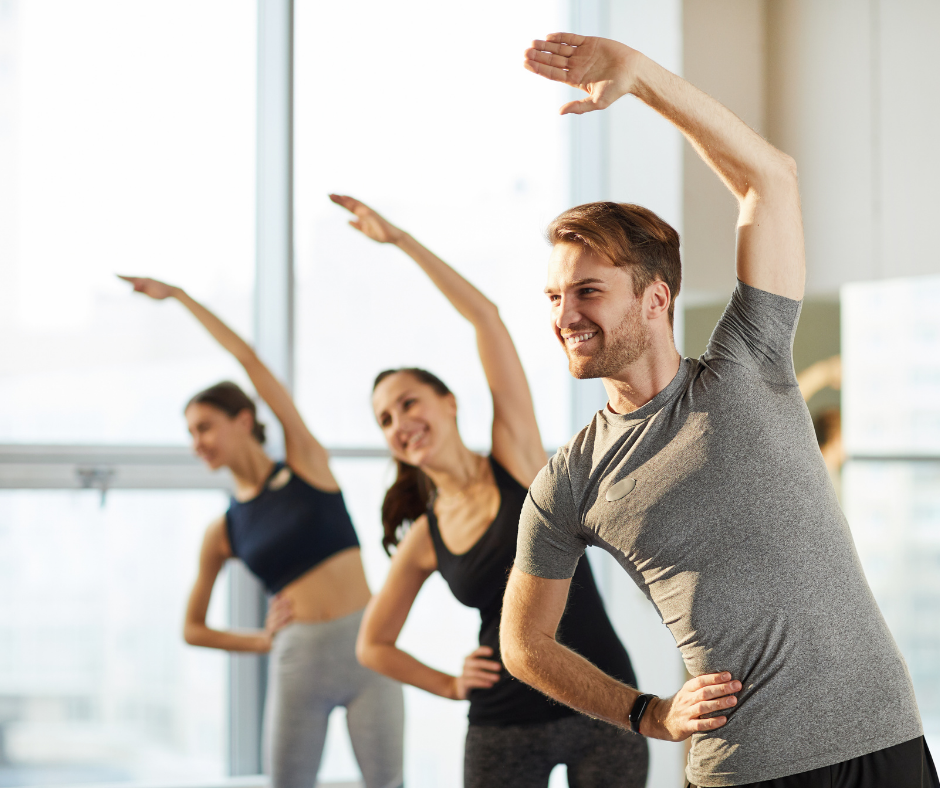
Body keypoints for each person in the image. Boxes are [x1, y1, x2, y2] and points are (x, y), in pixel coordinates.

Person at [499, 33, 937, 788]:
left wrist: (640, 79)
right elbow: (523, 643)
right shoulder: (571, 480)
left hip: (887, 739)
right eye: (553, 297)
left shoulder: (747, 364)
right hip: (752, 766)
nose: (564, 314)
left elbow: (770, 178)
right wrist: (648, 714)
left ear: (655, 298)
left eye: (587, 291)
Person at [331, 194, 649, 788]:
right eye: (385, 420)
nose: (400, 423)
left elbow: (486, 317)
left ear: (448, 404)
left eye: (408, 403)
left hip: (604, 701)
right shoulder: (426, 536)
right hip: (503, 723)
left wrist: (400, 239)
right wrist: (449, 685)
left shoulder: (517, 458)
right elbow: (374, 644)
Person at [119, 276, 404, 788]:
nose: (197, 443)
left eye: (204, 427)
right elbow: (193, 628)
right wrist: (261, 642)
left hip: (368, 647)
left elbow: (249, 360)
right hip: (298, 661)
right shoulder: (222, 531)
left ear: (244, 419)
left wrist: (182, 298)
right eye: (189, 434)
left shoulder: (305, 465)